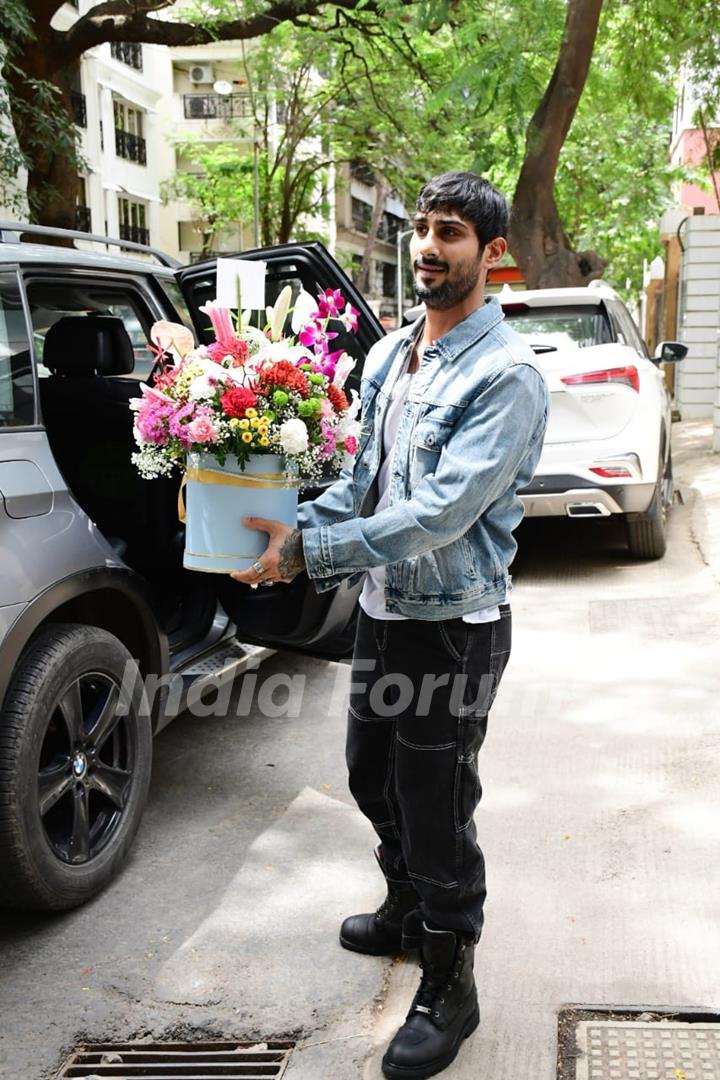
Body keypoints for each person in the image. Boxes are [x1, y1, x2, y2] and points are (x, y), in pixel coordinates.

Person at [231, 171, 549, 1079]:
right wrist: (285, 525)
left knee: (438, 805)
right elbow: (363, 484)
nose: (426, 247)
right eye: (421, 229)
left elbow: (440, 514)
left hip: (452, 623)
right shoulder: (390, 357)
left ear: (492, 254)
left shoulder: (507, 376)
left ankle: (451, 976)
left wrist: (313, 555)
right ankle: (407, 906)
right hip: (382, 611)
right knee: (370, 774)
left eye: (449, 233)